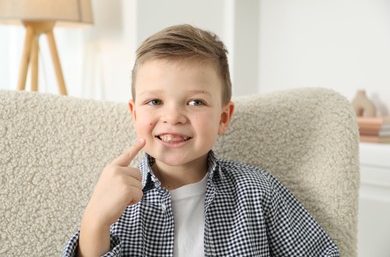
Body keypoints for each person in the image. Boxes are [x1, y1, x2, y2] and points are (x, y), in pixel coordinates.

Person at [63, 24, 339, 256]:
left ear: (223, 117)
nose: (173, 116)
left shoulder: (260, 192)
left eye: (195, 102)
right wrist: (95, 219)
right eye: (155, 101)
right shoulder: (116, 197)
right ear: (135, 115)